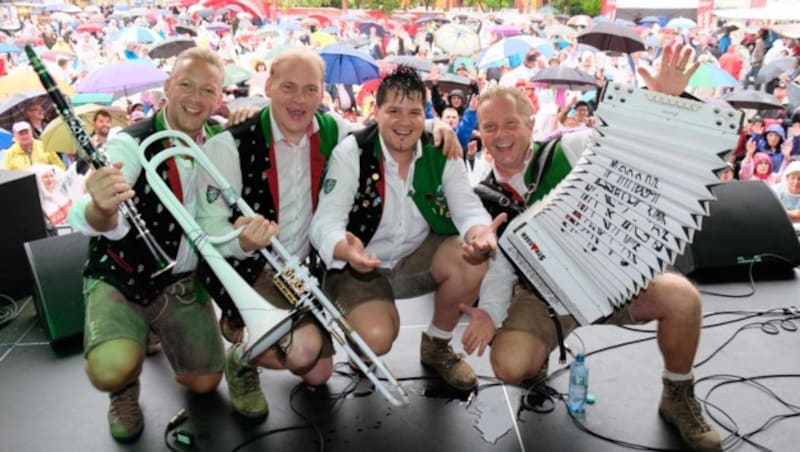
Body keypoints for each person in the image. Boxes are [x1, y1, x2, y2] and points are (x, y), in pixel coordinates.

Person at [465, 44, 723, 452]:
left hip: (612, 282)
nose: (500, 135)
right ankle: (541, 348)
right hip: (542, 298)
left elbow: (628, 142)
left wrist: (662, 101)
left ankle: (677, 395)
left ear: (532, 123)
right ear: (480, 132)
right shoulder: (479, 194)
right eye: (490, 127)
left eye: (510, 123)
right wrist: (490, 315)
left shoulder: (571, 149)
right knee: (509, 365)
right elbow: (499, 270)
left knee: (683, 299)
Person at [196, 50, 463, 416]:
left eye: (310, 89)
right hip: (253, 267)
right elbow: (208, 228)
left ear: (322, 93)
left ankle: (276, 337)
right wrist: (240, 239)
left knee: (318, 373)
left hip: (302, 269)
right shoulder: (229, 144)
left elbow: (388, 129)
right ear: (269, 86)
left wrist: (434, 127)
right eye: (288, 87)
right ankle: (243, 358)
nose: (299, 99)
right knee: (306, 355)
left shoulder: (335, 131)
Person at [66, 47, 228, 443]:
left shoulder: (221, 140)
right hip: (123, 277)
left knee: (205, 383)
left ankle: (153, 329)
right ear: (168, 87)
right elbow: (86, 213)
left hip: (180, 280)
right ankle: (123, 389)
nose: (195, 98)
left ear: (219, 98)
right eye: (186, 85)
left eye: (208, 90)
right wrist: (102, 208)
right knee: (111, 369)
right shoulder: (129, 142)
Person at [310, 66, 505, 392]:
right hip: (361, 264)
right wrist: (346, 249)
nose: (404, 122)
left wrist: (479, 234)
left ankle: (437, 346)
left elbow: (467, 208)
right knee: (376, 336)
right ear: (376, 111)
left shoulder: (440, 149)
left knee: (472, 261)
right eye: (394, 111)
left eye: (414, 112)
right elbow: (325, 223)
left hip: (416, 255)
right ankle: (361, 346)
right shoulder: (353, 152)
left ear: (424, 114)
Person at [29, 163, 72, 232]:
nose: (50, 179)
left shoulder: (62, 193)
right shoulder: (40, 203)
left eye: (51, 176)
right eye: (45, 177)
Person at [772, 160, 800, 235]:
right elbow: (772, 214)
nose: (796, 182)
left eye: (799, 179)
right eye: (793, 178)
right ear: (787, 178)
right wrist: (794, 215)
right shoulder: (776, 190)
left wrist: (783, 213)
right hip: (778, 230)